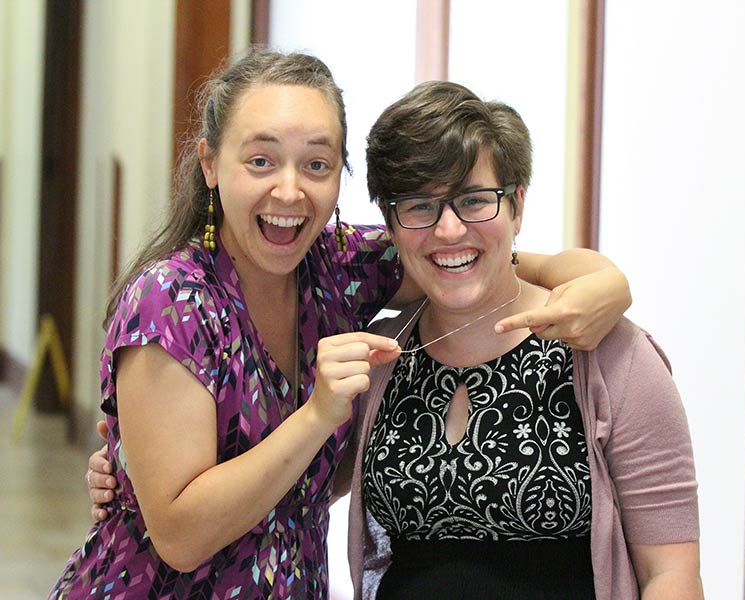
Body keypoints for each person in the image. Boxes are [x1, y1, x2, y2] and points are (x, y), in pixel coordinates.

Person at [62, 50, 631, 599]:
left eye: (317, 164)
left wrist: (607, 283)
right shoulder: (170, 300)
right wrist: (318, 415)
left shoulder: (334, 266)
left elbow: (465, 256)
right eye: (260, 161)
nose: (290, 190)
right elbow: (181, 537)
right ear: (211, 165)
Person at [336, 82, 703, 599]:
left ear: (517, 206)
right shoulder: (380, 359)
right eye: (419, 205)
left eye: (474, 201)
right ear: (391, 224)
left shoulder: (608, 353)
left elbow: (672, 573)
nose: (448, 230)